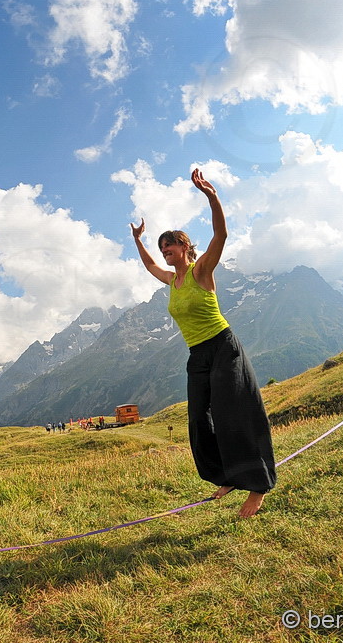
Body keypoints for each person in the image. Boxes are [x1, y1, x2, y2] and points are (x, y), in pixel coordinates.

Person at [130, 168, 276, 518]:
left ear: (185, 246)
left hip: (223, 346)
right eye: (163, 248)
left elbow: (220, 235)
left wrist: (211, 197)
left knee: (234, 414)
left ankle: (257, 486)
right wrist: (138, 239)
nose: (165, 253)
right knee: (198, 419)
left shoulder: (201, 271)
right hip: (198, 355)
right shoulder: (170, 280)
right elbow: (149, 264)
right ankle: (225, 475)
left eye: (170, 246)